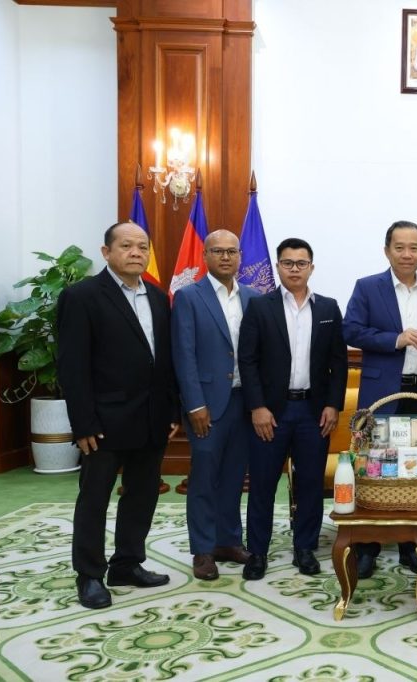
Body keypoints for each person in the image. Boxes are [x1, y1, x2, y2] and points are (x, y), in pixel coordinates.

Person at [57, 221, 179, 609]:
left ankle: (127, 563)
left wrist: (171, 410)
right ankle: (89, 575)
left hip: (151, 417)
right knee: (94, 499)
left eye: (142, 246)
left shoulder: (157, 297)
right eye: (126, 245)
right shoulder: (81, 296)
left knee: (142, 495)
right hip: (103, 422)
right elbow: (72, 366)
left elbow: (164, 361)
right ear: (106, 252)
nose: (136, 252)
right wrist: (83, 423)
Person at [343, 220, 417, 578]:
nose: (407, 254)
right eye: (400, 247)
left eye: (414, 247)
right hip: (382, 393)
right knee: (375, 468)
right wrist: (396, 339)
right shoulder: (367, 286)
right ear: (387, 250)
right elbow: (351, 330)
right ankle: (368, 547)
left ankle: (410, 543)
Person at [238, 237, 348, 580]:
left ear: (311, 267)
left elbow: (338, 362)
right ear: (278, 266)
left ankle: (305, 548)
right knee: (263, 484)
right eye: (288, 263)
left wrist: (333, 404)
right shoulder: (260, 306)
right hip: (271, 412)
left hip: (313, 412)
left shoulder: (328, 308)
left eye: (301, 263)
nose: (295, 269)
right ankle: (257, 552)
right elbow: (247, 360)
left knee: (311, 484)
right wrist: (257, 407)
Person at [172, 229, 260, 580]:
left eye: (231, 251)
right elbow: (184, 354)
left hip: (244, 402)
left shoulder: (253, 297)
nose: (225, 257)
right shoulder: (189, 297)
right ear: (205, 256)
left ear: (240, 256)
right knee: (205, 478)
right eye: (218, 251)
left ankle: (228, 541)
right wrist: (194, 405)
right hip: (207, 404)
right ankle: (204, 549)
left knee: (235, 476)